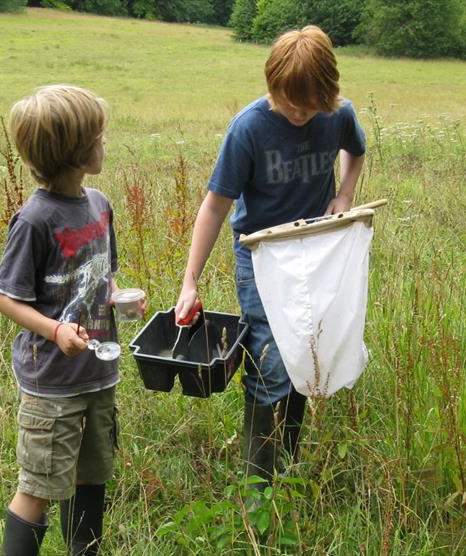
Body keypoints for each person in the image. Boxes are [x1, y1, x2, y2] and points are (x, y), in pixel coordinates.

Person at [175, 26, 367, 487]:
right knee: (270, 358)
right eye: (288, 103)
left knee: (306, 349)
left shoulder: (337, 114)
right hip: (261, 258)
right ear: (272, 86)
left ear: (327, 92)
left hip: (317, 250)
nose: (298, 113)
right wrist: (190, 281)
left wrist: (344, 194)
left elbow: (356, 151)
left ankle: (289, 462)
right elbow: (215, 206)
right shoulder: (249, 128)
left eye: (308, 105)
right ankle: (257, 483)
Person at [0, 84, 143, 556]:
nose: (105, 143)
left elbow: (104, 277)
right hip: (52, 384)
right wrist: (55, 330)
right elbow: (4, 298)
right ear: (75, 151)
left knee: (91, 474)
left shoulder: (98, 205)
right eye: (99, 136)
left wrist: (120, 298)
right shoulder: (34, 220)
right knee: (39, 485)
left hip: (98, 375)